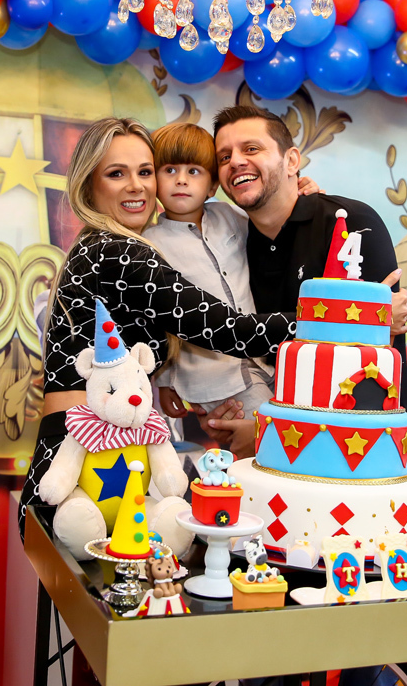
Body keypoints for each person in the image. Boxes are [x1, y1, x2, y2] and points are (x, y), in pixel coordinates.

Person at [19, 117, 299, 538]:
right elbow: (226, 329)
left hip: (110, 456)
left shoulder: (97, 247)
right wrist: (332, 317)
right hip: (82, 467)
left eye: (145, 172)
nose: (137, 187)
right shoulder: (117, 252)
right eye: (117, 174)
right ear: (88, 186)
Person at [175, 105, 407, 463]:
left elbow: (369, 355)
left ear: (291, 161)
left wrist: (267, 431)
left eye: (251, 148)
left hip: (366, 457)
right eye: (224, 157)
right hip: (274, 463)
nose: (235, 161)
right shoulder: (235, 241)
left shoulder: (348, 223)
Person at [143, 123, 277, 456]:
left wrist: (302, 191)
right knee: (271, 445)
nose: (181, 180)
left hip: (264, 359)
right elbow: (159, 320)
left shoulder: (229, 216)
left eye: (193, 171)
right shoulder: (151, 243)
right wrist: (165, 381)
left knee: (282, 433)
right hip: (212, 376)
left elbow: (271, 224)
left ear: (213, 184)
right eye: (169, 170)